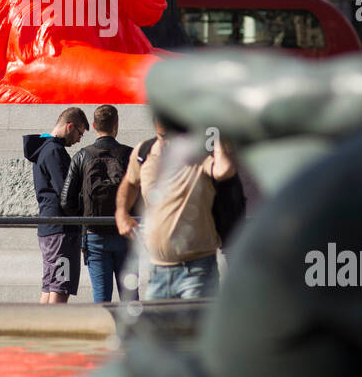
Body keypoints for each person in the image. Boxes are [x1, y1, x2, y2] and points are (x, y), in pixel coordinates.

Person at [115, 112, 236, 299]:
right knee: (154, 329)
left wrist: (217, 130)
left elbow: (224, 170)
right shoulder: (144, 152)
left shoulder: (196, 154)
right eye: (162, 137)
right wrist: (121, 213)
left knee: (194, 327)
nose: (166, 143)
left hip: (196, 272)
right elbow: (130, 182)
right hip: (156, 271)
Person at [61, 105, 135, 302]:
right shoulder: (130, 155)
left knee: (101, 299)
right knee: (130, 298)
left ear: (93, 125)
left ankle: (103, 331)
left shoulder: (81, 156)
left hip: (94, 235)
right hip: (125, 234)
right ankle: (132, 333)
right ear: (116, 125)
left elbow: (66, 200)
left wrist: (85, 217)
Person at [24, 107, 88, 304]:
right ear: (70, 126)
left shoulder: (43, 148)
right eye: (80, 133)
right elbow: (65, 193)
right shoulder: (55, 151)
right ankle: (53, 332)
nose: (78, 140)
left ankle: (39, 332)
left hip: (49, 229)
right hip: (62, 231)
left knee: (49, 286)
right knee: (61, 287)